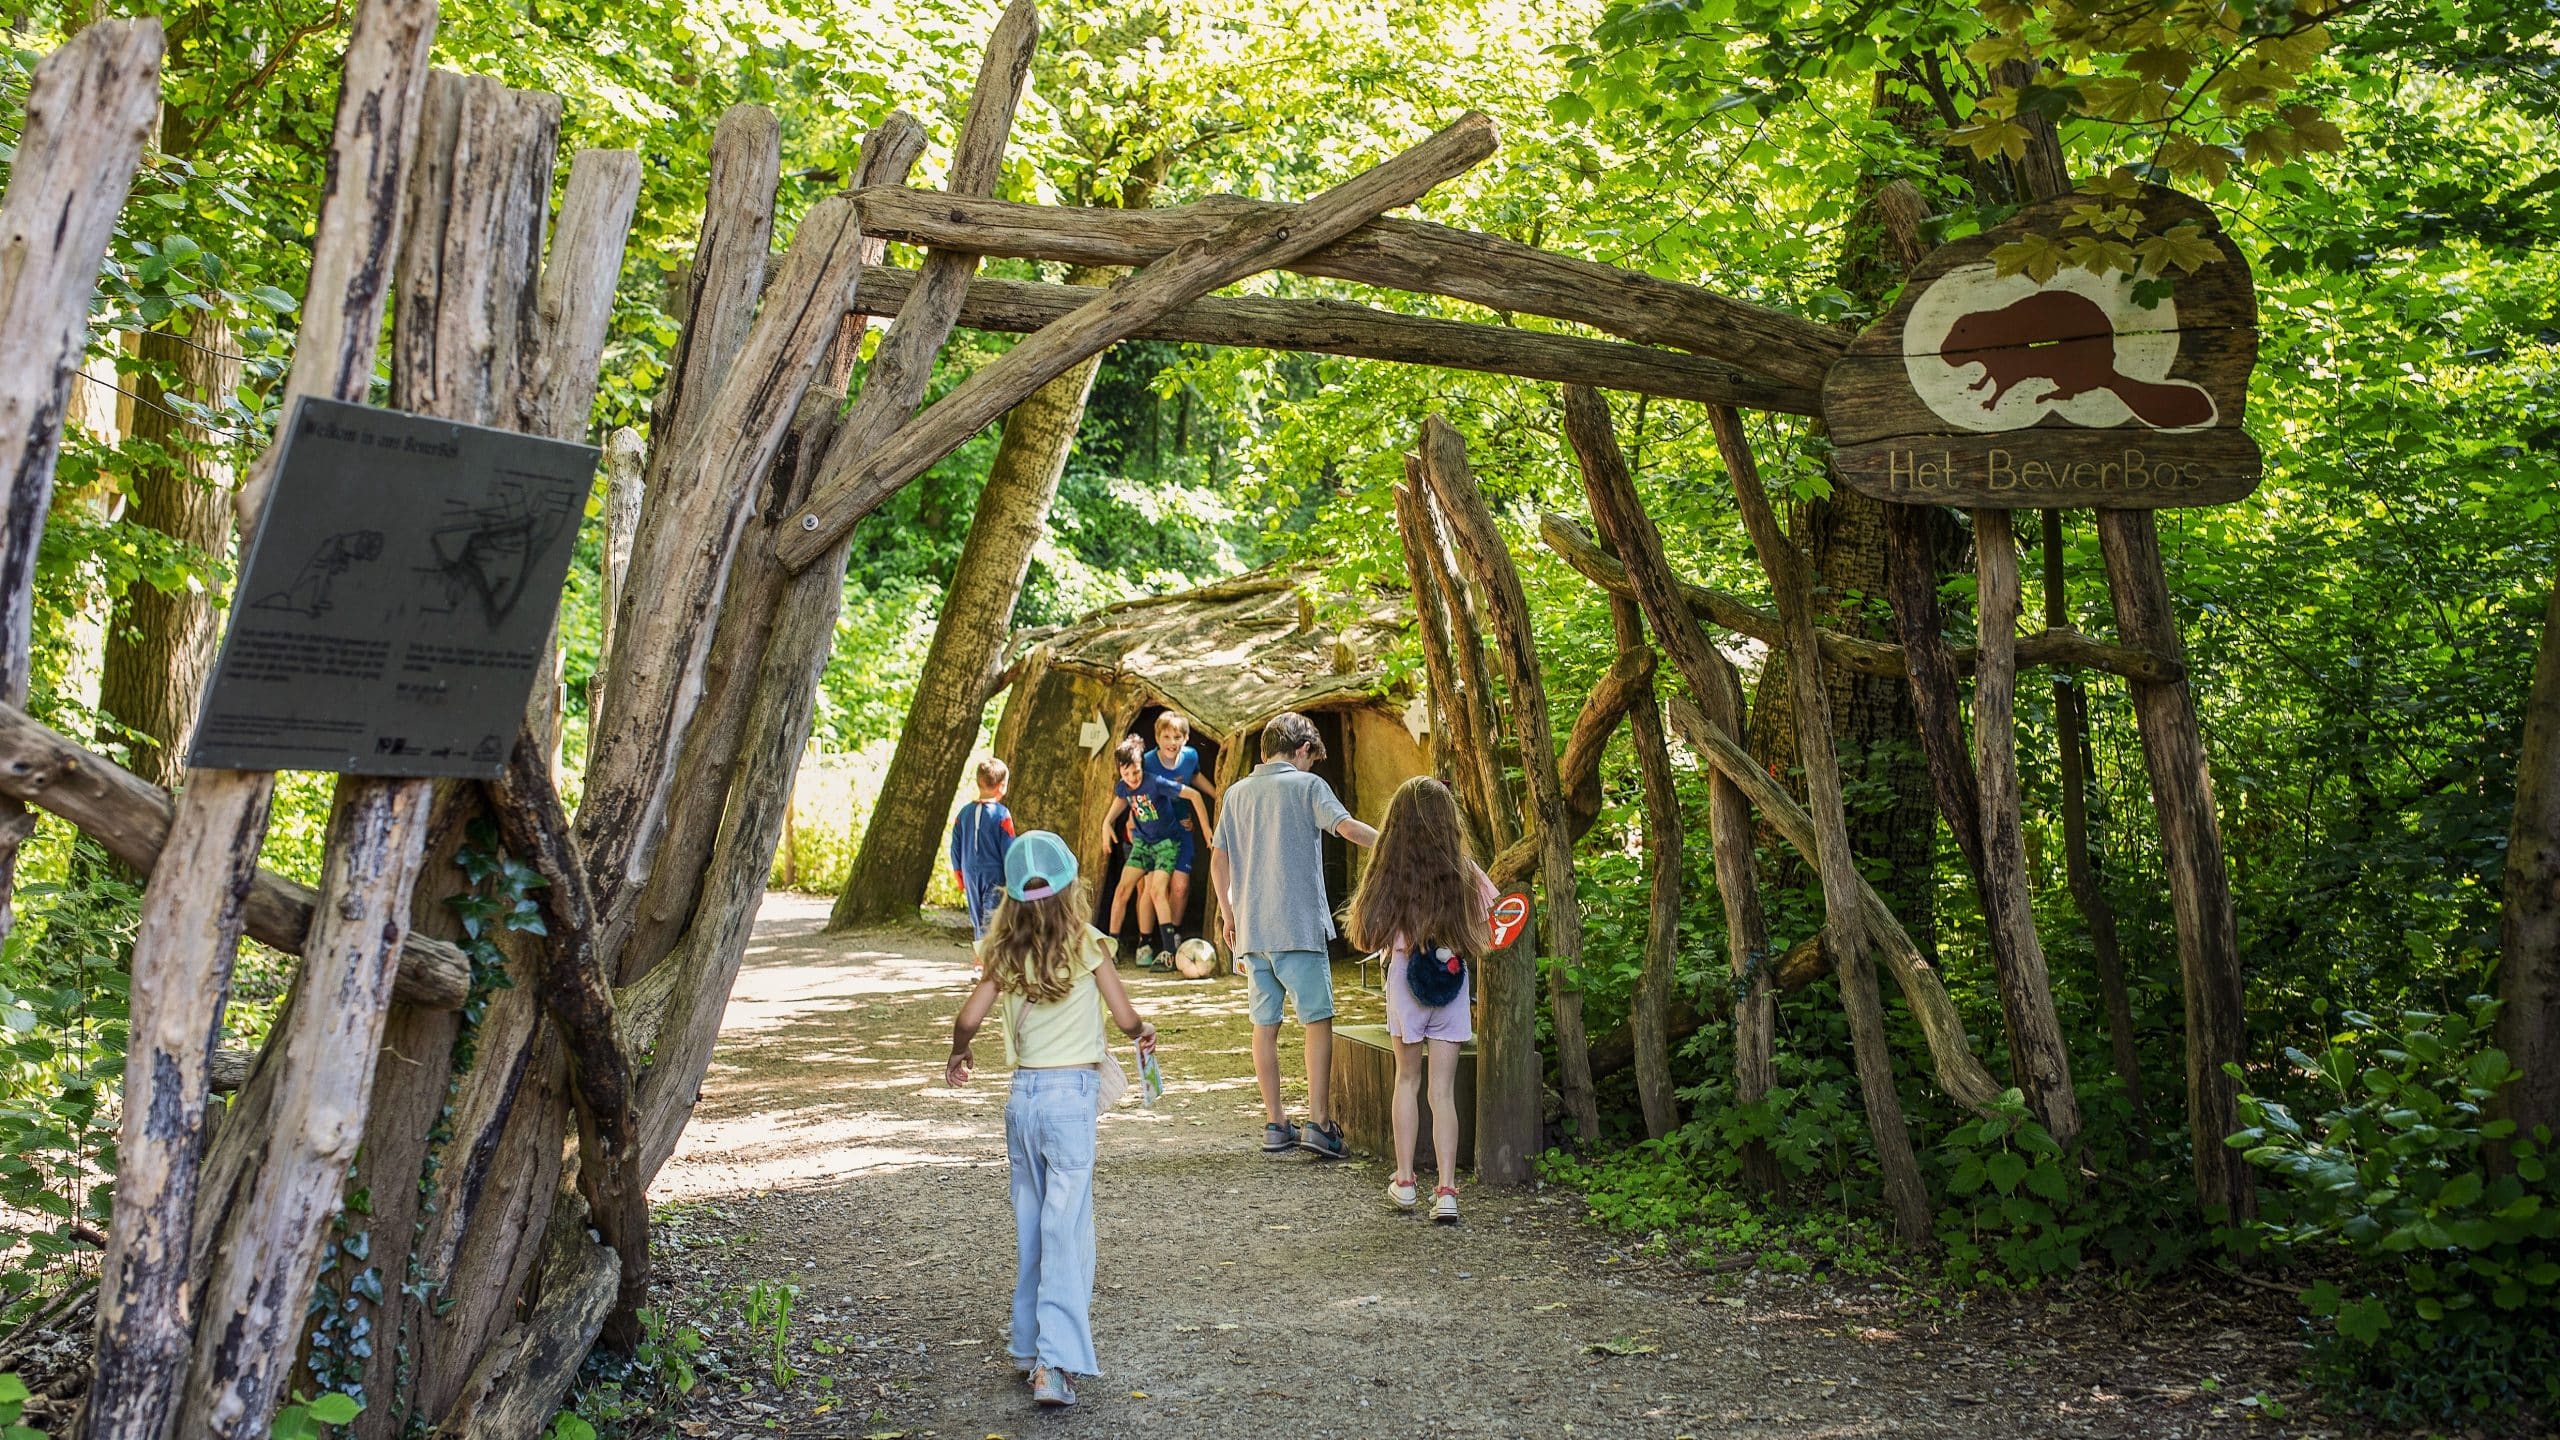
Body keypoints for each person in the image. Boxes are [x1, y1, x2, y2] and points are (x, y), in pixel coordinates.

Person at [945, 830, 1154, 1410]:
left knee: (1034, 1225)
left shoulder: (1004, 952)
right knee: (1067, 1229)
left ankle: (1025, 1345)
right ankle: (1053, 1364)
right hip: (1069, 1102)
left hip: (1023, 1101)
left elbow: (968, 1018)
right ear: (1070, 889)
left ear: (1010, 896)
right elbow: (1124, 1016)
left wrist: (960, 1052)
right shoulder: (1088, 944)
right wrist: (1142, 1032)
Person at [1209, 710, 1377, 1159]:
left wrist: (1228, 914)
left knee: (1264, 1026)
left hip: (1252, 931)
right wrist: (1392, 841)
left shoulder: (1236, 793)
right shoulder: (1308, 786)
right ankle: (1319, 1123)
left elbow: (1219, 859)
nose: (1311, 765)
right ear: (1303, 750)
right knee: (1316, 1021)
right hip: (1298, 927)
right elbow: (1346, 828)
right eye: (1311, 758)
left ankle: (1275, 1122)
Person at [1345, 775, 1493, 1224]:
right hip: (1452, 981)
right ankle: (1446, 1191)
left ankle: (1406, 1181)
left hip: (1405, 979)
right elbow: (1491, 927)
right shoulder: (1466, 872)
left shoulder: (1390, 873)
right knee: (1442, 1091)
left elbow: (1365, 933)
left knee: (1407, 1080)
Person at [1100, 735, 1212, 967]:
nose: (1132, 778)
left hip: (1166, 844)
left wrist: (1206, 829)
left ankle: (1169, 951)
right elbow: (1119, 803)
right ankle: (1113, 945)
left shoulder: (1156, 782)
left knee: (1157, 891)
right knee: (1122, 889)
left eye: (1136, 772)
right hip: (1143, 844)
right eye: (1126, 774)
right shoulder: (1124, 787)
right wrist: (1106, 824)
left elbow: (1194, 794)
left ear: (1142, 766)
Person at [1141, 712, 1218, 960]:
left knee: (1180, 886)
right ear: (1157, 738)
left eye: (1177, 737)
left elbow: (1194, 777)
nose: (1172, 742)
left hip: (1182, 829)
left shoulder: (1190, 756)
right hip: (1155, 832)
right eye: (1166, 736)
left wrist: (1219, 794)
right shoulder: (1147, 762)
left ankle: (1173, 934)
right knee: (1152, 888)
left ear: (1185, 738)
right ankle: (1148, 940)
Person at [948, 757, 1017, 940]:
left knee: (977, 917)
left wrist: (958, 872)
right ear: (1001, 786)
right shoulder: (1002, 815)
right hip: (995, 873)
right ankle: (987, 952)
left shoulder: (964, 814)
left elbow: (955, 846)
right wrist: (1014, 877)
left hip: (969, 872)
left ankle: (981, 950)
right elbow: (1009, 849)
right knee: (992, 917)